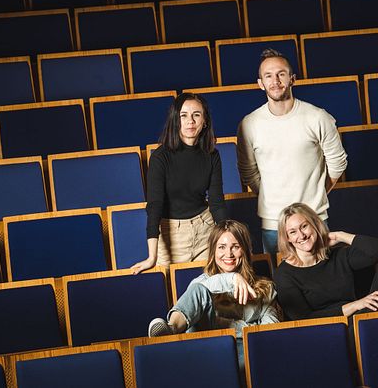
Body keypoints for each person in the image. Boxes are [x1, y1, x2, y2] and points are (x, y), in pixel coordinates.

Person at [237, 49, 347, 255]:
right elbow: (248, 171)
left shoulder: (318, 117)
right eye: (268, 76)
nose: (275, 80)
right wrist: (270, 195)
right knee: (279, 282)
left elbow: (338, 162)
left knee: (321, 277)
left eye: (281, 74)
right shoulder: (249, 124)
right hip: (273, 222)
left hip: (314, 217)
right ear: (260, 83)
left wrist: (318, 192)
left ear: (292, 79)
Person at [147, 220, 280, 377]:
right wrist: (232, 279)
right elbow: (203, 288)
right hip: (208, 351)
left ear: (245, 250)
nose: (228, 254)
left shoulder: (266, 287)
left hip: (247, 353)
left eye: (235, 247)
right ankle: (171, 329)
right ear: (213, 251)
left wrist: (231, 326)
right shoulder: (201, 283)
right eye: (221, 247)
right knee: (198, 290)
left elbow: (269, 332)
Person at [131, 92, 227, 273]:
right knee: (176, 296)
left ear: (204, 121)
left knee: (211, 290)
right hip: (171, 234)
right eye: (184, 115)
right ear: (176, 120)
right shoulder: (160, 157)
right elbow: (154, 205)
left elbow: (217, 202)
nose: (190, 121)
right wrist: (152, 256)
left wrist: (226, 238)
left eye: (196, 115)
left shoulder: (212, 154)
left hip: (205, 228)